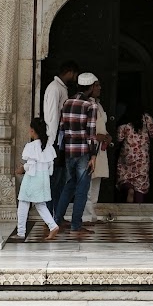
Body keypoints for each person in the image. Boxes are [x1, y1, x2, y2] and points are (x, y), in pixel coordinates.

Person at [52, 73, 101, 234]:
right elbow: (91, 133)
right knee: (82, 188)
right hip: (83, 152)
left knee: (69, 185)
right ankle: (76, 224)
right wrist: (93, 156)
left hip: (68, 151)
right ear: (91, 87)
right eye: (97, 86)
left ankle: (57, 219)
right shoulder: (90, 106)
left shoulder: (67, 102)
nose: (98, 89)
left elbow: (61, 128)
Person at [10, 118, 60, 242]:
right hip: (43, 178)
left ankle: (21, 232)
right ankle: (53, 226)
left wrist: (21, 169)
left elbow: (30, 165)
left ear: (32, 131)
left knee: (23, 203)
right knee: (41, 204)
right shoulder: (48, 147)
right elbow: (50, 167)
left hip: (32, 178)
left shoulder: (31, 146)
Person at [42, 60, 79, 202]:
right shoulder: (54, 88)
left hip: (61, 139)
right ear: (69, 72)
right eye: (75, 75)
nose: (75, 78)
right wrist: (51, 142)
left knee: (61, 178)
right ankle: (51, 217)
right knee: (55, 179)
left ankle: (56, 215)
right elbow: (52, 116)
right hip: (55, 140)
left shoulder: (61, 88)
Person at [116, 101, 153, 204]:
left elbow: (119, 138)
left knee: (124, 177)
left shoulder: (124, 120)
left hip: (127, 155)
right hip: (142, 156)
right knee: (141, 184)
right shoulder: (147, 118)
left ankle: (129, 188)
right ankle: (139, 207)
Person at [82, 90, 112, 225]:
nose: (100, 88)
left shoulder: (99, 105)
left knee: (96, 181)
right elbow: (81, 128)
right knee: (87, 181)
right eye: (97, 85)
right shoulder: (84, 104)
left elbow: (101, 126)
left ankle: (92, 215)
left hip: (100, 148)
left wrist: (106, 136)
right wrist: (96, 137)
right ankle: (85, 216)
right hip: (88, 147)